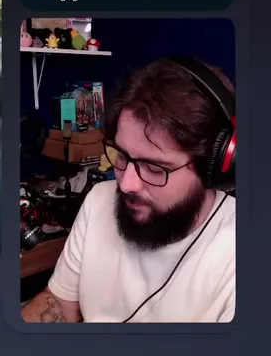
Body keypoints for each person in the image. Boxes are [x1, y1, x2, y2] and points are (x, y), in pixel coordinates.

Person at [21, 58, 235, 322]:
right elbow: (59, 302)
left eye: (154, 168)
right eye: (121, 155)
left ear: (211, 168)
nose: (125, 185)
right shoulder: (99, 200)